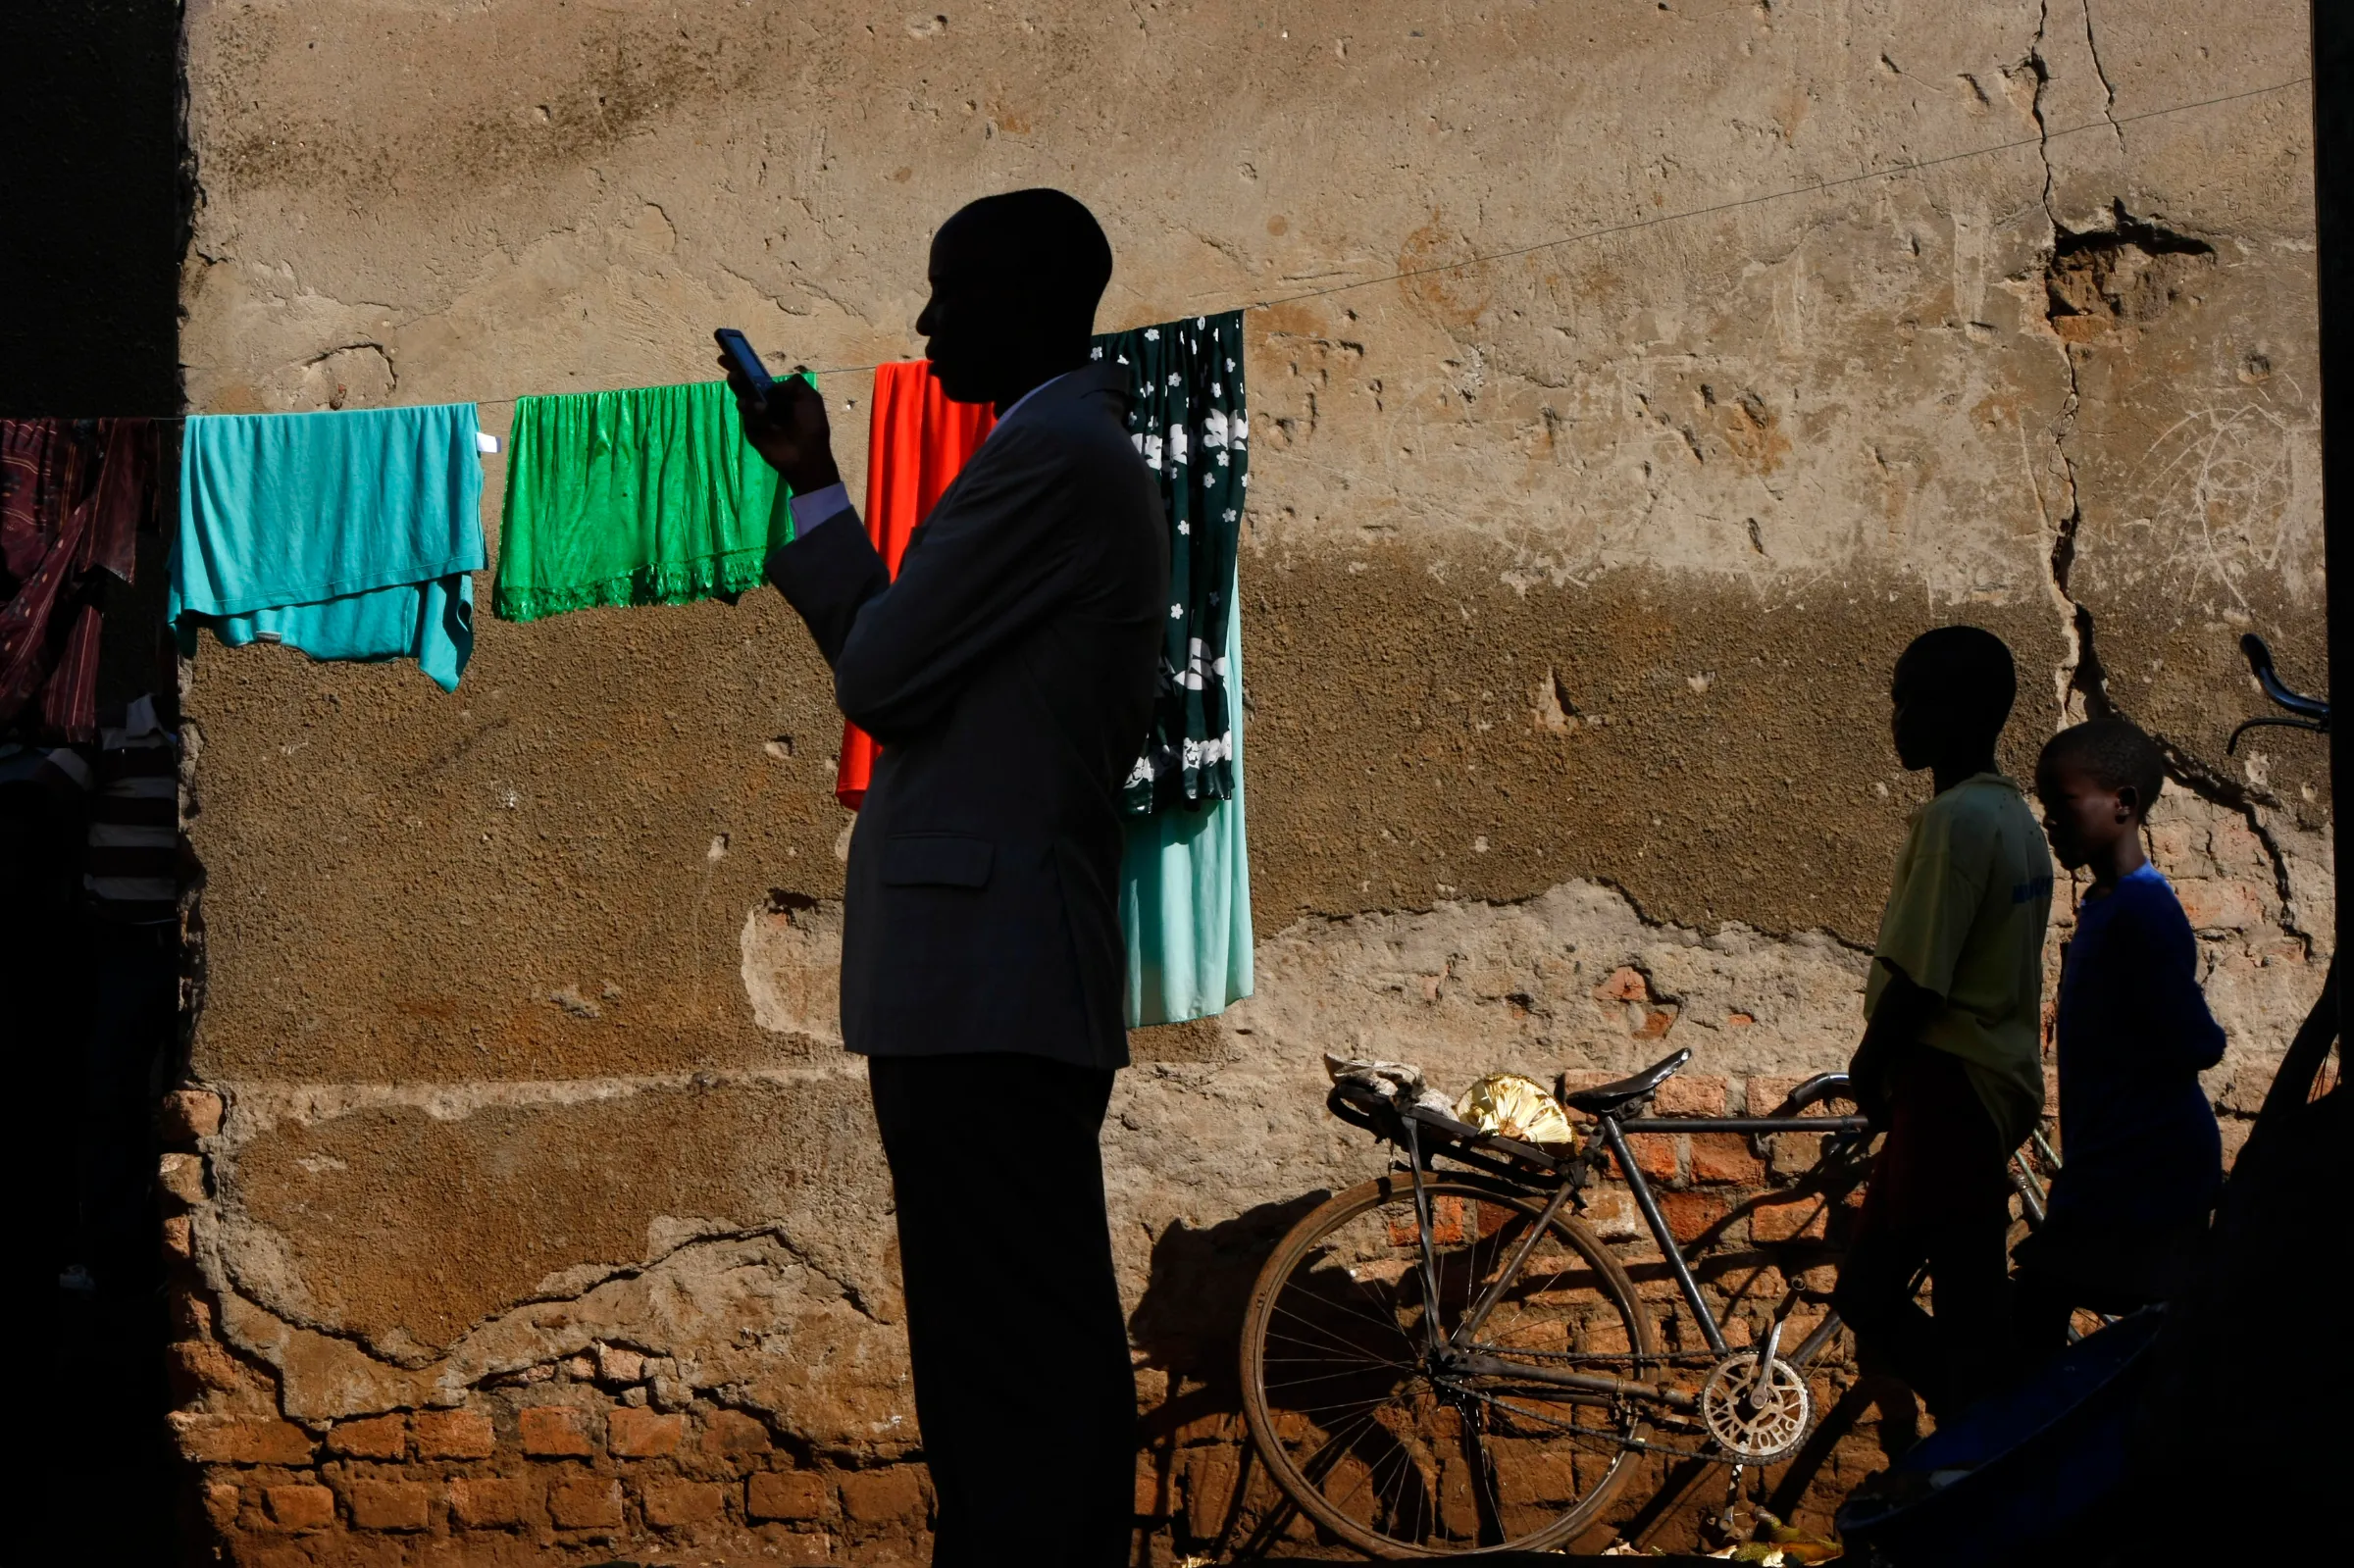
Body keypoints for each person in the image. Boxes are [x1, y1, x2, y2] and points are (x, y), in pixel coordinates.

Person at [723, 188, 1165, 1566]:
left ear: (1030, 301)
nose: (922, 323)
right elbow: (906, 659)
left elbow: (883, 670)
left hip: (992, 983)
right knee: (1003, 1354)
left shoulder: (1051, 459)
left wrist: (817, 489)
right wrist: (814, 475)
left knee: (1010, 1364)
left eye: (948, 292)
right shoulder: (1054, 451)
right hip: (992, 980)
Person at [1831, 626, 2052, 1419]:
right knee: (1937, 1294)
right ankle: (1986, 1428)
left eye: (1914, 699)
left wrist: (1867, 1067)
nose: (1897, 716)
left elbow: (1921, 979)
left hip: (1948, 1084)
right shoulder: (2016, 820)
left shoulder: (1954, 823)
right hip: (1987, 1087)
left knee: (1905, 1296)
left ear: (1966, 713)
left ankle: (1986, 1434)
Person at [2013, 718, 2225, 1356]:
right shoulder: (2105, 905)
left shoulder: (2142, 910)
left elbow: (2199, 1042)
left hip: (2145, 1170)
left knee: (2037, 1327)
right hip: (2111, 1164)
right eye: (2046, 807)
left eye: (2063, 804)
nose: (2049, 822)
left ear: (2124, 804)